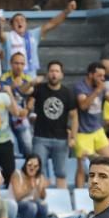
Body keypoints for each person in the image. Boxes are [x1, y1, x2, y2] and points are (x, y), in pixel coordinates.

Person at [30, 60, 76, 188]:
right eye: (51, 71)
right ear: (47, 73)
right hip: (40, 137)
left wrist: (73, 136)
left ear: (62, 74)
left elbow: (74, 116)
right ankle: (42, 203)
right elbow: (25, 96)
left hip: (61, 139)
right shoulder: (39, 89)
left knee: (61, 173)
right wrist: (31, 83)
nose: (54, 74)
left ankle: (62, 204)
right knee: (38, 171)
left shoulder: (68, 93)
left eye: (57, 71)